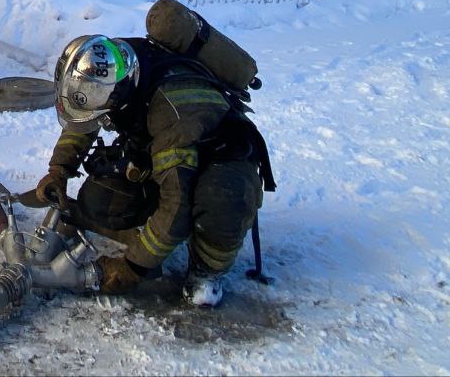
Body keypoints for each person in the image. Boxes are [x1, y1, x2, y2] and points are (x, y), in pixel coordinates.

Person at [35, 33, 273, 308]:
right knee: (102, 201)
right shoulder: (111, 63)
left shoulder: (171, 116)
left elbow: (177, 200)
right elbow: (85, 119)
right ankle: (162, 233)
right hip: (168, 149)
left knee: (222, 198)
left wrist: (133, 267)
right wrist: (59, 169)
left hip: (223, 159)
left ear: (118, 96)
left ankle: (206, 271)